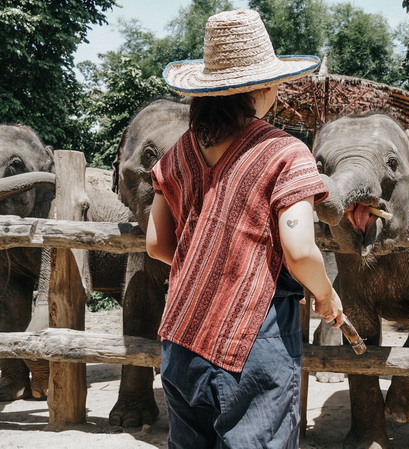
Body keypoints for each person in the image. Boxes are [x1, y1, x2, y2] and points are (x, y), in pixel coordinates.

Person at [145, 9, 343, 449]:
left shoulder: (175, 156)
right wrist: (326, 296)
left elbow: (157, 244)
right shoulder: (286, 152)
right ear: (263, 87)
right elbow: (299, 250)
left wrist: (208, 261)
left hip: (179, 337)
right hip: (253, 341)